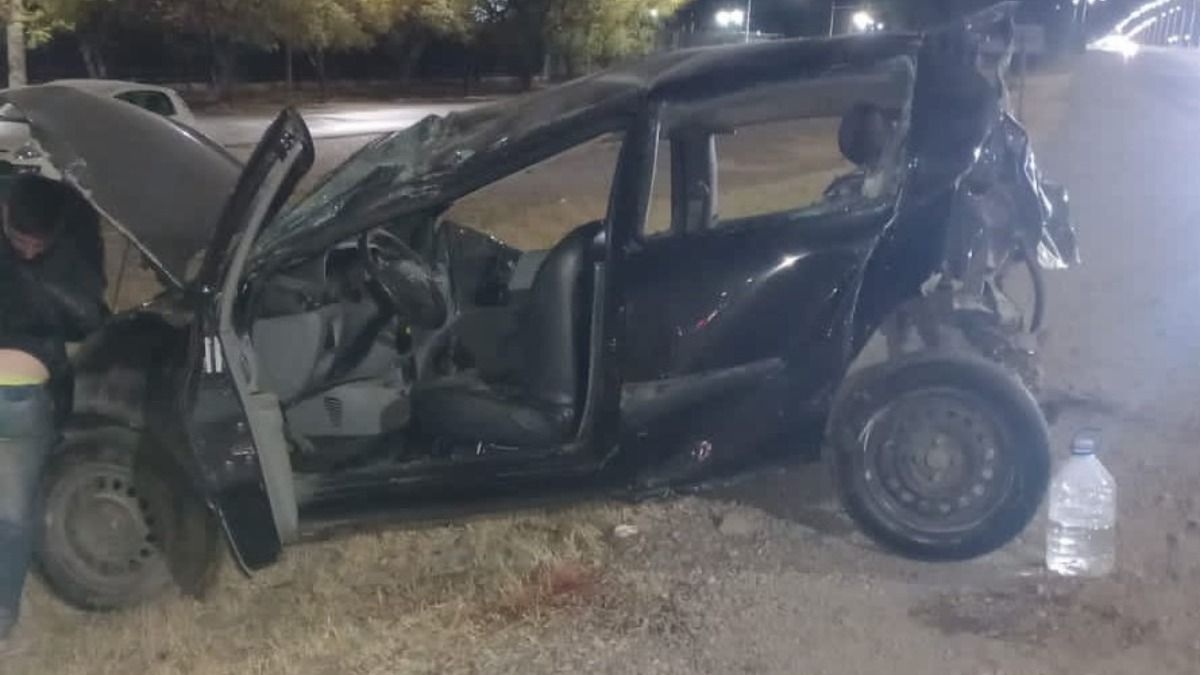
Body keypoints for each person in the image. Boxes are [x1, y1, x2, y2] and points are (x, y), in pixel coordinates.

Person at [0, 174, 106, 655]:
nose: (27, 250)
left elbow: (87, 314)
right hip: (23, 391)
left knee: (13, 512)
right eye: (19, 240)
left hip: (23, 388)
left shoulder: (75, 243)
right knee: (14, 514)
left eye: (36, 243)